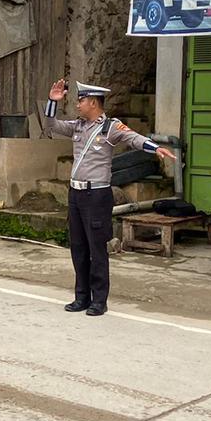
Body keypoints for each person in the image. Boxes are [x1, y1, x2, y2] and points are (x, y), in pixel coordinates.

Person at [44, 78, 176, 316]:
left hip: (96, 195)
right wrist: (52, 102)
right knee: (78, 247)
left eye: (81, 100)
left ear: (93, 103)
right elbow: (51, 125)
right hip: (76, 194)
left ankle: (99, 300)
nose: (77, 105)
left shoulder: (110, 127)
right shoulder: (77, 126)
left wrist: (155, 147)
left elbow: (133, 138)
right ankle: (81, 297)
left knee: (97, 249)